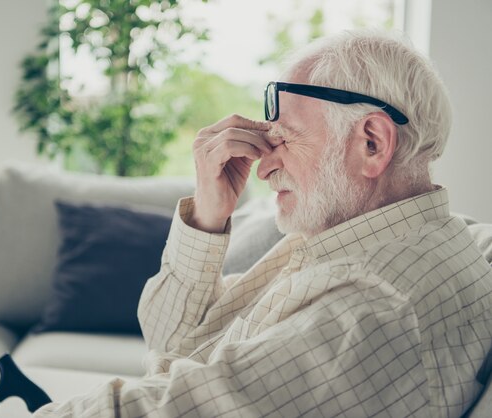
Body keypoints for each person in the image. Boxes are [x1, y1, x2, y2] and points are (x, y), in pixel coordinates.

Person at [34, 30, 492, 417]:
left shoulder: (370, 305)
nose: (262, 165)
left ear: (372, 143)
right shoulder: (375, 237)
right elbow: (174, 348)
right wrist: (208, 217)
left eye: (284, 137)